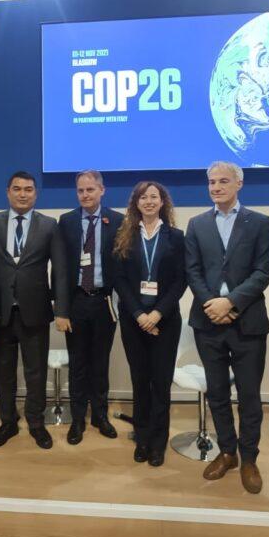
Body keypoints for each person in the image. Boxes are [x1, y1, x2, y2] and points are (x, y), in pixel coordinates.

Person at [186, 162, 269, 492]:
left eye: (223, 181)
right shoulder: (197, 224)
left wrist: (231, 303)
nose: (216, 187)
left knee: (249, 396)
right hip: (207, 321)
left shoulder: (259, 222)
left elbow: (263, 272)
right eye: (211, 182)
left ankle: (249, 458)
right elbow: (192, 270)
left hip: (247, 322)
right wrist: (213, 304)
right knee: (218, 393)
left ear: (239, 183)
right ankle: (227, 452)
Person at [0, 172, 69, 451]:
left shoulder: (49, 225)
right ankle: (8, 422)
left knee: (36, 372)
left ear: (36, 193)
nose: (23, 194)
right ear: (8, 192)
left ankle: (35, 422)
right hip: (0, 313)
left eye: (28, 189)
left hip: (35, 311)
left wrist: (61, 308)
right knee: (3, 372)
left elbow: (59, 270)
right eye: (17, 189)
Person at [112, 182, 187, 466]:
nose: (149, 201)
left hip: (165, 321)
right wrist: (139, 315)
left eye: (154, 196)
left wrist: (156, 314)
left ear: (163, 202)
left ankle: (158, 442)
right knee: (140, 381)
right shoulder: (125, 235)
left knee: (161, 383)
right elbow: (119, 279)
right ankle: (142, 438)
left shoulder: (176, 237)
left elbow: (181, 280)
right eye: (143, 197)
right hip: (133, 320)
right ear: (136, 203)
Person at [58, 170, 125, 445]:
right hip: (76, 300)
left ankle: (99, 415)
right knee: (78, 363)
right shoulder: (67, 221)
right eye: (80, 190)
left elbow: (124, 265)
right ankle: (77, 419)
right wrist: (61, 310)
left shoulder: (118, 221)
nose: (85, 195)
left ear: (102, 190)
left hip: (104, 301)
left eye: (90, 189)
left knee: (100, 362)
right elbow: (60, 269)